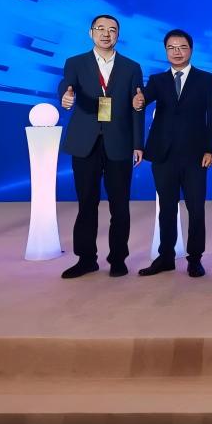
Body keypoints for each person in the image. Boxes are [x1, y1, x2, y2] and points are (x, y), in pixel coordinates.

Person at [57, 14, 144, 279]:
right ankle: (86, 259)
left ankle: (118, 259)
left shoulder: (132, 67)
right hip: (86, 143)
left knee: (120, 205)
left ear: (118, 35)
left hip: (119, 142)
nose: (106, 34)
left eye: (112, 30)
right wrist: (65, 96)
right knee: (87, 203)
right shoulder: (75, 62)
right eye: (101, 29)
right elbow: (66, 86)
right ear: (91, 32)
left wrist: (138, 144)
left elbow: (137, 106)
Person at [131, 29, 212, 278]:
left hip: (196, 156)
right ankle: (166, 258)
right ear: (165, 51)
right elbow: (143, 100)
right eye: (171, 48)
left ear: (191, 49)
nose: (177, 52)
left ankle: (195, 259)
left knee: (196, 209)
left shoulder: (207, 79)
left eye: (182, 47)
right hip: (164, 155)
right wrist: (138, 101)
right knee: (167, 209)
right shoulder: (157, 80)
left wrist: (211, 149)